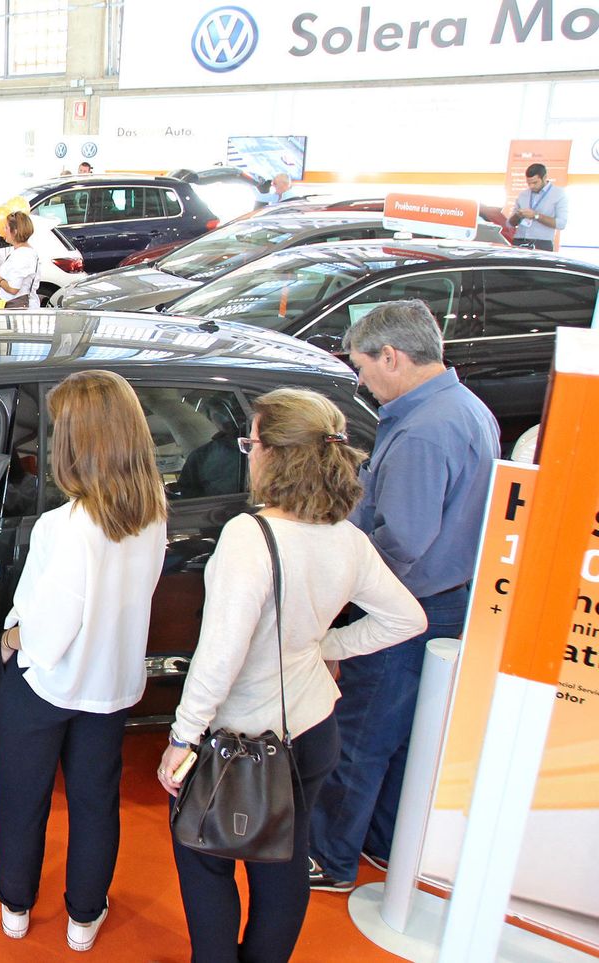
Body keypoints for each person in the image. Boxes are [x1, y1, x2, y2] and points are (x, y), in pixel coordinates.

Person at [159, 389, 425, 962]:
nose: (246, 452)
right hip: (311, 728)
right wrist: (323, 644)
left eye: (249, 442)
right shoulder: (348, 540)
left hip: (236, 738)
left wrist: (183, 736)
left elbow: (220, 655)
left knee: (204, 859)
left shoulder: (248, 538)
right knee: (285, 860)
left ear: (275, 455)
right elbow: (407, 618)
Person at [306, 299, 499, 891]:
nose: (362, 382)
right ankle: (380, 843)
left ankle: (331, 859)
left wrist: (346, 593)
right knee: (399, 736)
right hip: (446, 600)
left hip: (407, 604)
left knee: (363, 734)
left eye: (364, 368)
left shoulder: (421, 432)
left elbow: (402, 540)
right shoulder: (466, 410)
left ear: (392, 356)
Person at [0, 370, 168, 952]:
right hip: (112, 685)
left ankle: (16, 904)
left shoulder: (64, 526)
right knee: (96, 803)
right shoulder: (152, 512)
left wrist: (12, 640)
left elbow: (51, 624)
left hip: (48, 686)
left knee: (25, 795)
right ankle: (84, 915)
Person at [505, 162, 568, 251]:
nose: (531, 186)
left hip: (542, 243)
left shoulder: (559, 194)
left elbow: (561, 224)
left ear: (544, 177)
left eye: (535, 182)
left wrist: (536, 216)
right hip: (519, 241)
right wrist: (518, 216)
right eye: (528, 183)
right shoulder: (523, 195)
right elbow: (509, 224)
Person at [0, 210, 41, 309]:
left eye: (6, 227)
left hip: (17, 310)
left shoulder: (22, 255)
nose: (3, 230)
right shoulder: (24, 252)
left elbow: (13, 289)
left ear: (15, 231)